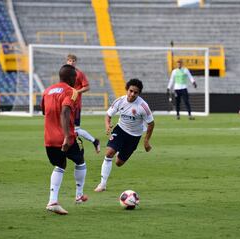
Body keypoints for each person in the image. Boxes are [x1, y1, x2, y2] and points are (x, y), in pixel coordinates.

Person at [41, 64, 88, 215]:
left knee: (60, 165)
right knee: (80, 160)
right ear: (69, 78)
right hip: (66, 137)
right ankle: (79, 195)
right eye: (75, 77)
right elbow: (65, 111)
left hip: (49, 138)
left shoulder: (47, 91)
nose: (76, 79)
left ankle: (52, 201)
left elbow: (43, 111)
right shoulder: (72, 91)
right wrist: (67, 136)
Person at [94, 78, 155, 192]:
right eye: (131, 91)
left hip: (134, 136)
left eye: (135, 92)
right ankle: (102, 184)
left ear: (139, 93)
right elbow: (108, 115)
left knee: (118, 163)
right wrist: (107, 125)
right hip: (120, 130)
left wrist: (146, 141)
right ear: (127, 89)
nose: (132, 94)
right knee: (109, 153)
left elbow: (151, 124)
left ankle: (118, 149)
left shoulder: (143, 106)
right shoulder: (120, 101)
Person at [66, 54, 101, 154]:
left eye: (73, 61)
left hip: (75, 105)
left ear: (75, 62)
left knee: (76, 128)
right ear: (66, 61)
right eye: (69, 60)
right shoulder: (64, 74)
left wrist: (77, 91)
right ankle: (74, 145)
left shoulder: (79, 74)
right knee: (65, 127)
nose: (71, 62)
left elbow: (87, 87)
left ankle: (93, 142)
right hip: (65, 104)